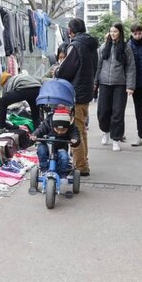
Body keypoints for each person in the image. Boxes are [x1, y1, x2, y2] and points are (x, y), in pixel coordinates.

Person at [56, 18, 99, 176]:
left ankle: (81, 166)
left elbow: (66, 70)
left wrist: (57, 72)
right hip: (86, 91)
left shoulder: (76, 45)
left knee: (76, 130)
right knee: (82, 129)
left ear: (70, 31)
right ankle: (83, 161)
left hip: (76, 92)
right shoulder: (91, 45)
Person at [95, 22, 136, 152]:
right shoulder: (103, 47)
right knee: (103, 112)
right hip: (104, 83)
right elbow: (98, 65)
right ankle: (105, 131)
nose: (113, 34)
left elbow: (131, 67)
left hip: (120, 84)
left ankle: (116, 139)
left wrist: (130, 86)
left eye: (116, 31)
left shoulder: (126, 47)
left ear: (120, 33)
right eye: (111, 31)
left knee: (117, 113)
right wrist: (95, 82)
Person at [30, 108, 80, 178]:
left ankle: (62, 174)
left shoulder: (71, 127)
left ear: (67, 127)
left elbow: (75, 134)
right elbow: (40, 129)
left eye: (63, 130)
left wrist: (75, 140)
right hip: (46, 144)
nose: (59, 132)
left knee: (64, 157)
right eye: (57, 129)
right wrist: (34, 135)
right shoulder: (48, 123)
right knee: (41, 150)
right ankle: (44, 169)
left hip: (61, 146)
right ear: (53, 126)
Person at [128, 24, 142, 147]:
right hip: (136, 84)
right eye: (135, 34)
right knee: (138, 112)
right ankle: (141, 136)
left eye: (139, 33)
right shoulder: (129, 45)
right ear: (132, 34)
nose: (137, 36)